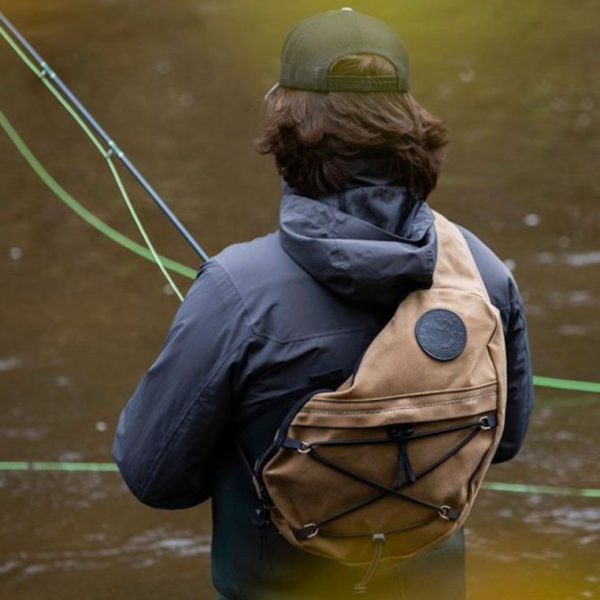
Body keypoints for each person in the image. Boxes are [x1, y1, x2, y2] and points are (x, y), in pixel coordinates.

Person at [113, 8, 534, 600]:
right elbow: (505, 441)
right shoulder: (484, 274)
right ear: (408, 129)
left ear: (288, 130)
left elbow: (154, 477)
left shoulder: (235, 289)